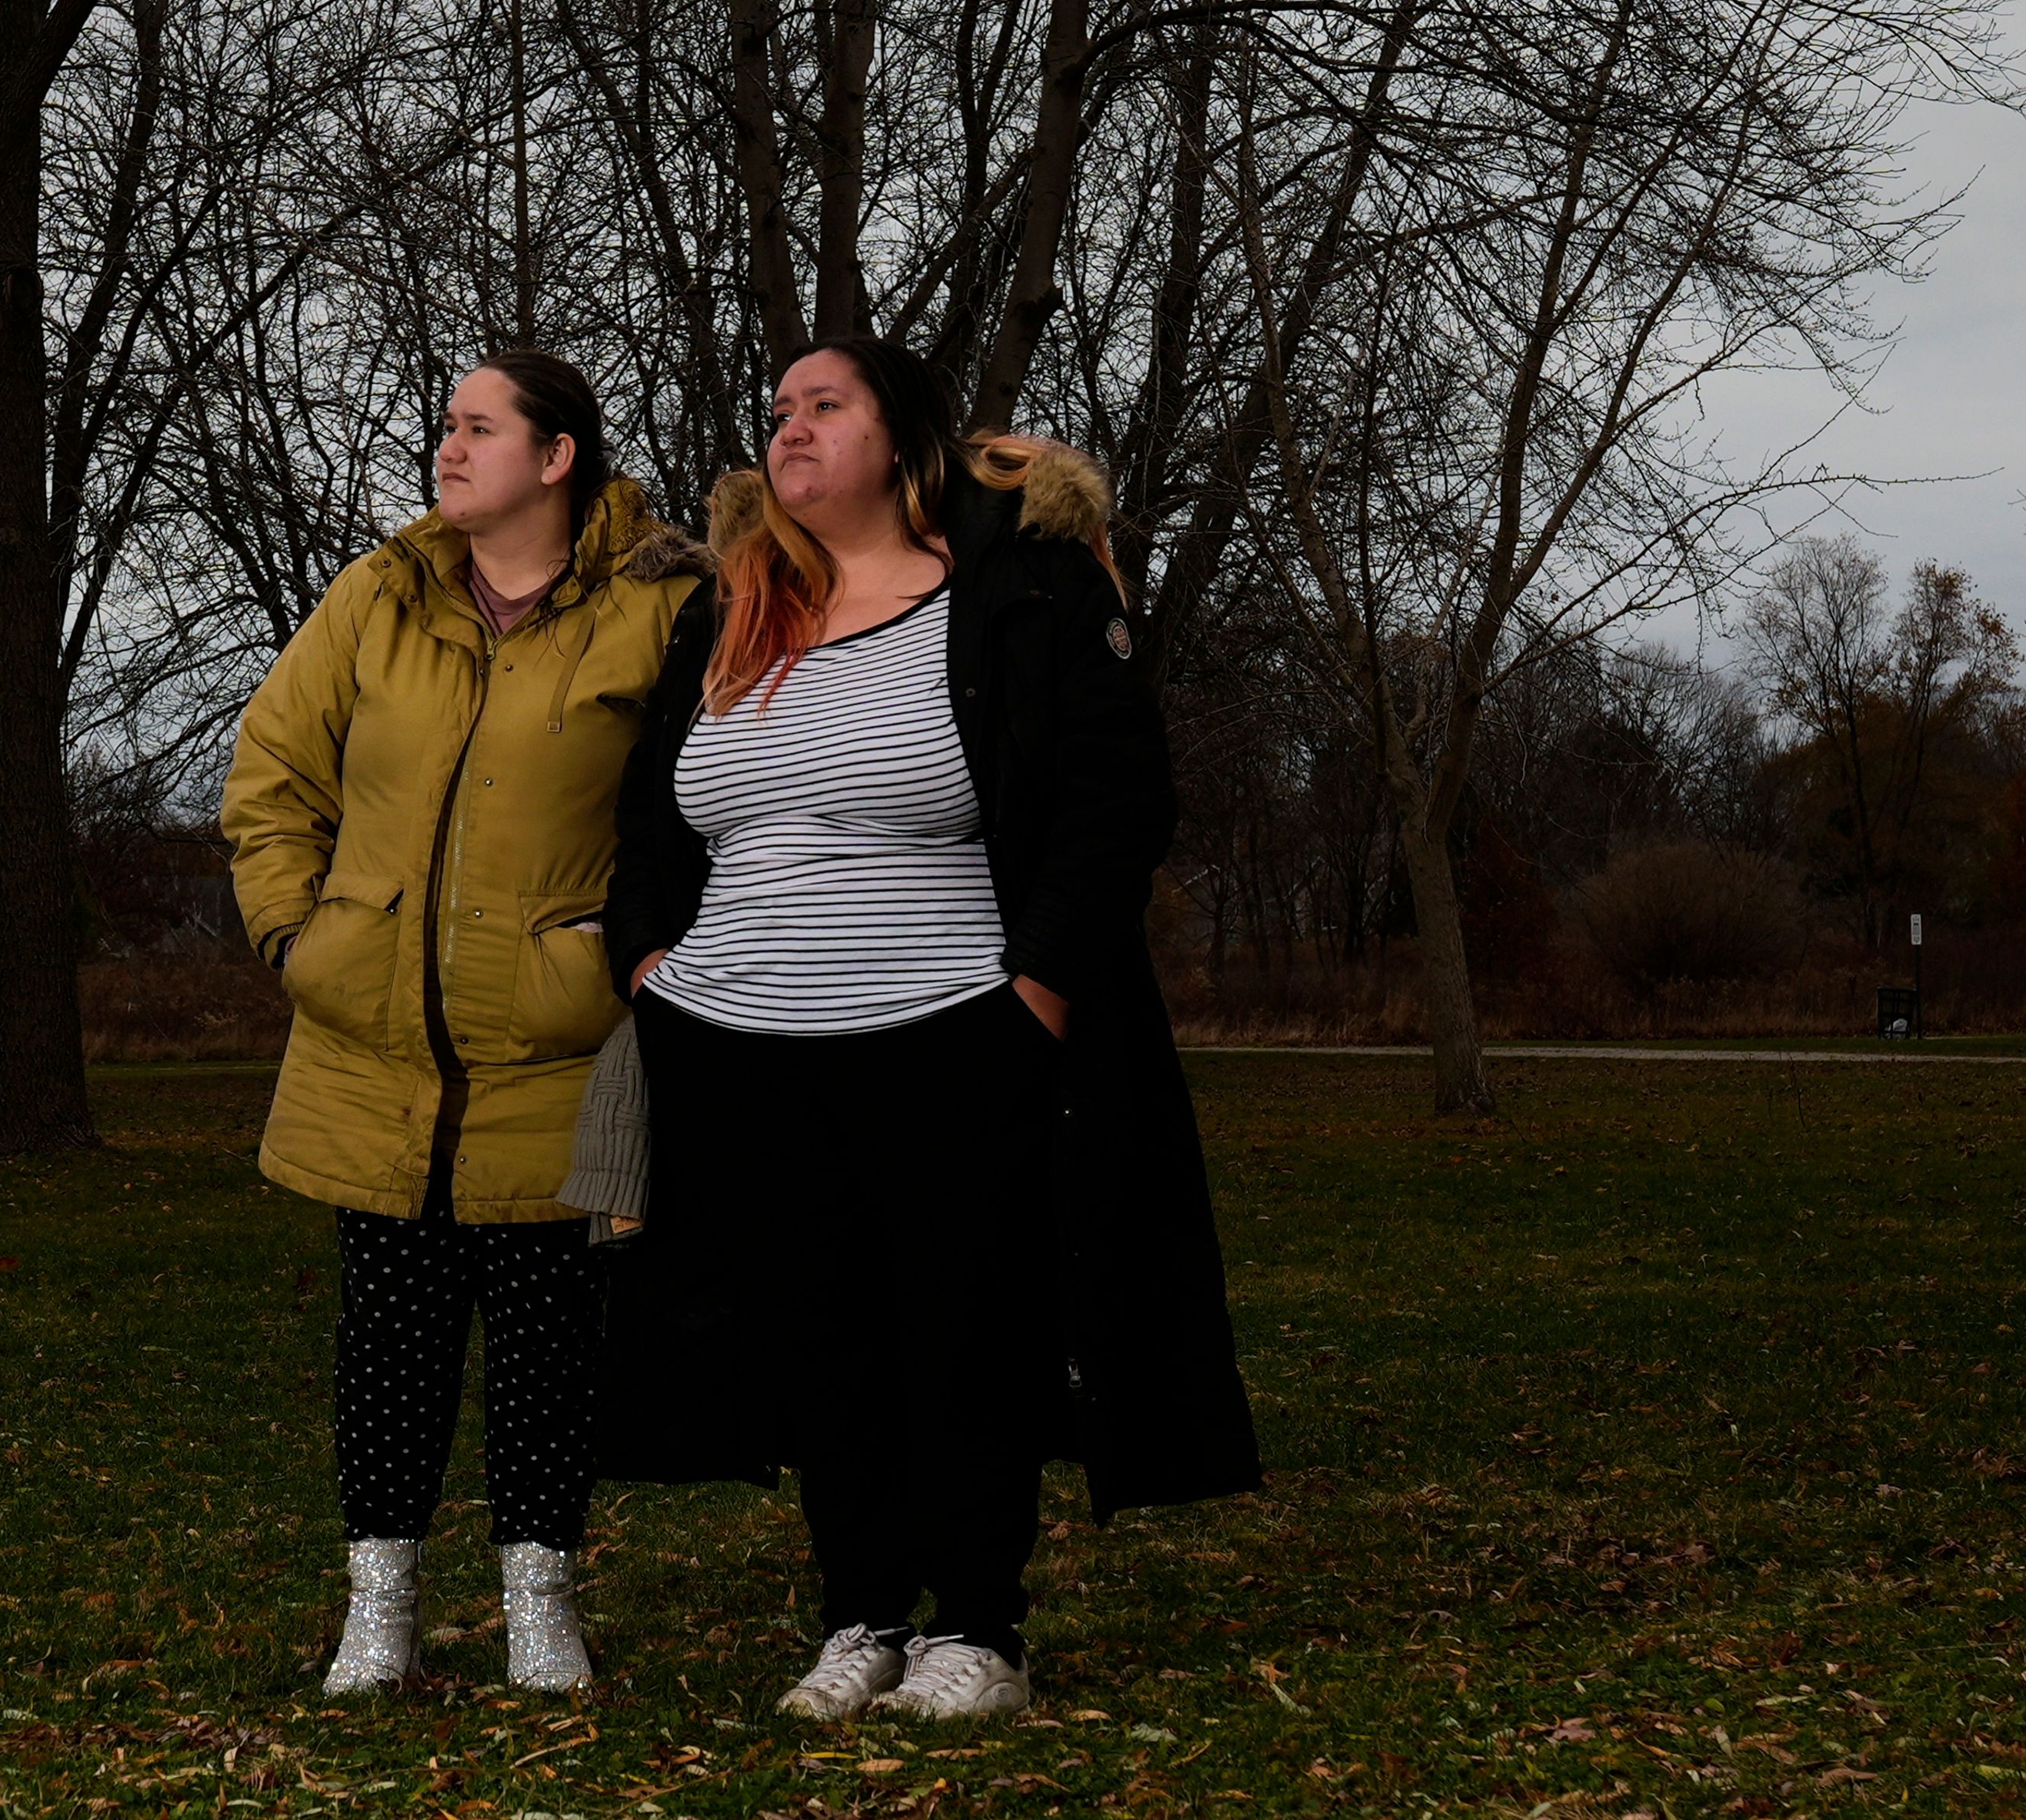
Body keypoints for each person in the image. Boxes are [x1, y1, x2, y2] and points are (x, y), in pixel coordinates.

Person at [598, 335, 1260, 1721]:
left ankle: (978, 1633)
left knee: (959, 1327)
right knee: (816, 1333)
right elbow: (655, 814)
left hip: (952, 1025)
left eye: (823, 406)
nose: (789, 428)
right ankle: (861, 1620)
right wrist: (652, 962)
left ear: (901, 437)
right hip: (737, 1041)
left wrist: (1041, 993)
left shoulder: (1019, 589)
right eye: (778, 410)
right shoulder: (729, 610)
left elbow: (1112, 799)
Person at [224, 349, 705, 1695]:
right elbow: (272, 773)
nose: (448, 448)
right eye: (446, 424)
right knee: (388, 1338)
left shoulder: (661, 610)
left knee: (550, 1345)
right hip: (371, 1042)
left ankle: (539, 1608)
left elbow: (694, 806)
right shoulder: (381, 594)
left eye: (479, 428)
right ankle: (378, 1611)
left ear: (557, 459)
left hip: (555, 1043)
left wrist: (620, 959)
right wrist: (294, 934)